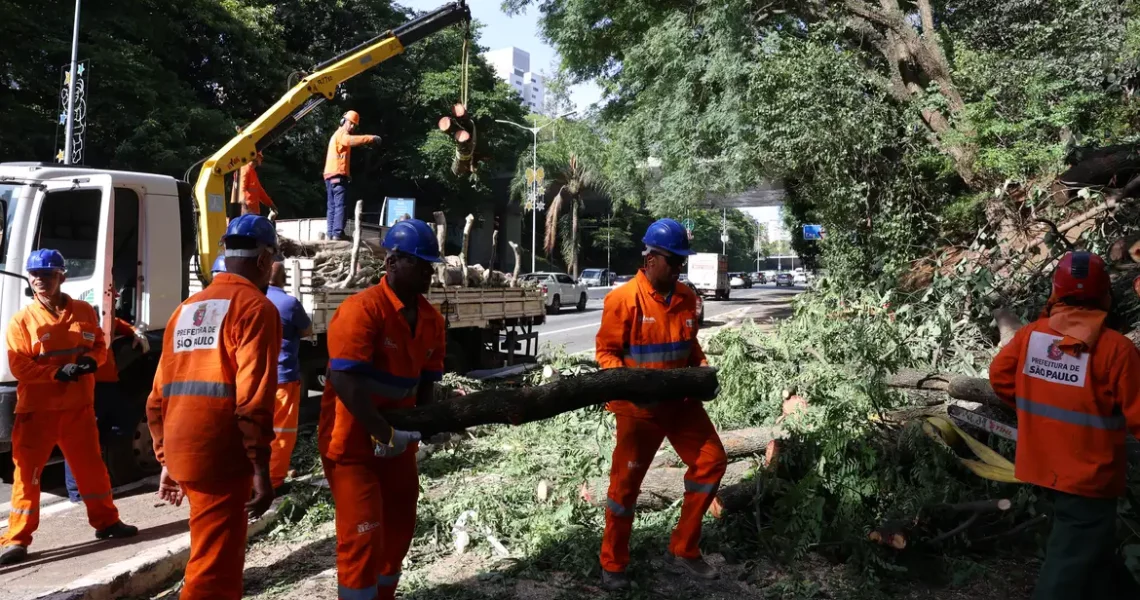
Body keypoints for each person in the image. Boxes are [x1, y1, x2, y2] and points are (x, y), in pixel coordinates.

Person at [990, 251, 1140, 600]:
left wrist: (1037, 413)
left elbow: (1000, 378)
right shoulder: (1116, 350)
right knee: (1069, 563)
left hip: (1044, 464)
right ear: (1105, 294)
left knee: (1095, 553)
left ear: (1055, 291)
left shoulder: (1030, 336)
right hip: (1089, 475)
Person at [147, 214, 282, 599]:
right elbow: (253, 399)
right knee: (214, 571)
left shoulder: (186, 309)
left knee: (211, 554)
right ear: (263, 259)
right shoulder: (255, 308)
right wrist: (261, 468)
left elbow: (158, 397)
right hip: (221, 455)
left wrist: (167, 457)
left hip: (184, 451)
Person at [594, 218, 727, 591]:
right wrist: (631, 386)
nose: (678, 268)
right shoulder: (623, 300)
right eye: (673, 261)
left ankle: (684, 548)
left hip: (680, 404)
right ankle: (613, 563)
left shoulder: (686, 298)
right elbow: (606, 354)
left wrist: (702, 371)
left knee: (712, 461)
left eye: (682, 261)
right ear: (650, 258)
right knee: (625, 490)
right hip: (638, 411)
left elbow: (690, 347)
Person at [319, 218, 444, 600]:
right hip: (353, 445)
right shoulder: (362, 310)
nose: (428, 274)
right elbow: (345, 381)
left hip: (397, 445)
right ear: (391, 262)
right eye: (419, 264)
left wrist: (429, 426)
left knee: (399, 531)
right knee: (363, 537)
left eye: (430, 266)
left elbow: (427, 382)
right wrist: (383, 433)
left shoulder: (432, 320)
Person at [0, 249, 138, 565]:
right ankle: (17, 539)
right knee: (28, 476)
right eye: (35, 274)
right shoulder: (22, 321)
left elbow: (99, 345)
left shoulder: (84, 311)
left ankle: (107, 522)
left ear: (61, 276)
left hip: (78, 408)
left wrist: (91, 361)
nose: (40, 280)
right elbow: (19, 366)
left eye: (47, 274)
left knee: (92, 470)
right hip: (37, 412)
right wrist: (55, 373)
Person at [63, 308, 151, 502]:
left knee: (120, 425)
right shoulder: (75, 320)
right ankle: (78, 493)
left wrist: (134, 332)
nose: (115, 297)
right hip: (87, 385)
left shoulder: (101, 317)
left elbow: (117, 323)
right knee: (81, 439)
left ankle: (92, 483)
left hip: (108, 384)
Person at [266, 260, 313, 491]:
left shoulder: (252, 299)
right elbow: (307, 330)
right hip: (283, 377)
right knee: (282, 432)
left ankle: (255, 479)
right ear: (284, 278)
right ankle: (274, 481)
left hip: (255, 378)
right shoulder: (289, 303)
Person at [323, 109, 380, 241]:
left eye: (355, 124)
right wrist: (371, 138)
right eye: (351, 123)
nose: (353, 126)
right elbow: (350, 141)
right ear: (343, 121)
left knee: (332, 206)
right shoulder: (342, 134)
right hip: (337, 176)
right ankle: (337, 234)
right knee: (340, 205)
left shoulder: (335, 135)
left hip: (330, 176)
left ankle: (330, 234)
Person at [233, 152, 278, 220]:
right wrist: (244, 207)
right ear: (254, 156)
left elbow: (260, 192)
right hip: (246, 213)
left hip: (253, 213)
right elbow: (241, 189)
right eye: (260, 157)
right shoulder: (245, 169)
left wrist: (271, 205)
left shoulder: (252, 172)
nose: (262, 159)